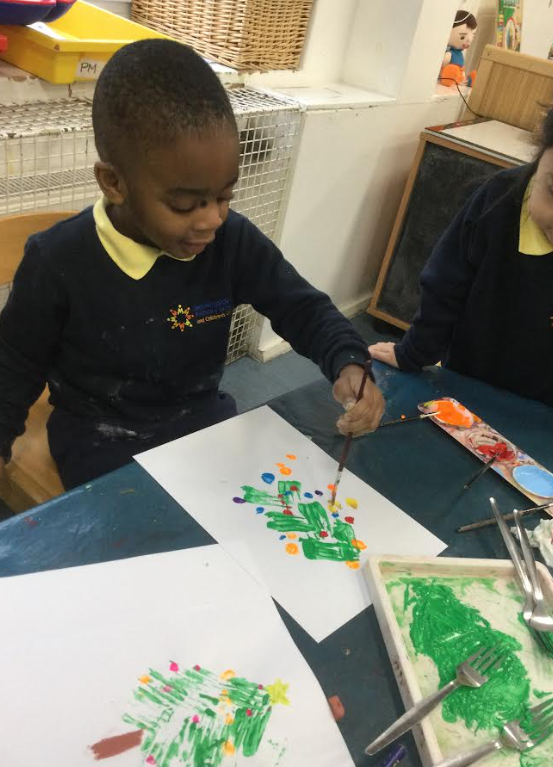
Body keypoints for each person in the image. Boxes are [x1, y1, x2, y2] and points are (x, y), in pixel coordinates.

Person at [0, 40, 384, 490]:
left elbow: (302, 307)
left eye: (224, 196)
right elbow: (13, 366)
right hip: (100, 440)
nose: (211, 220)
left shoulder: (232, 241)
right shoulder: (58, 260)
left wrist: (348, 362)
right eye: (185, 205)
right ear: (114, 182)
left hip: (201, 422)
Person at [369, 107, 553, 407]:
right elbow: (445, 285)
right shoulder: (497, 201)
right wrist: (414, 351)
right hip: (468, 375)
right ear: (541, 151)